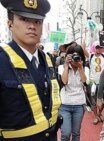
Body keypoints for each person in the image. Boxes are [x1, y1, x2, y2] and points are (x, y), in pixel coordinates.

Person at [0, 0, 62, 140]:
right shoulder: (2, 60)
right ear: (10, 23)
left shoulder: (47, 59)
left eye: (37, 21)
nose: (32, 26)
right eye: (24, 19)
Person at [58, 43, 87, 141]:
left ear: (81, 57)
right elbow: (64, 82)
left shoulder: (84, 69)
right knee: (65, 133)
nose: (75, 58)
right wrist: (66, 66)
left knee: (76, 133)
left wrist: (81, 68)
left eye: (78, 56)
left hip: (79, 105)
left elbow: (85, 82)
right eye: (73, 55)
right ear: (68, 56)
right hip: (65, 105)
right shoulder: (61, 68)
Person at [89, 40, 104, 125]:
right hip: (93, 83)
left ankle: (99, 113)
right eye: (97, 47)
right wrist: (84, 38)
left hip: (103, 82)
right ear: (94, 48)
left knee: (103, 101)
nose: (99, 49)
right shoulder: (91, 55)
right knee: (94, 101)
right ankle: (96, 116)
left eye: (100, 47)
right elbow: (82, 48)